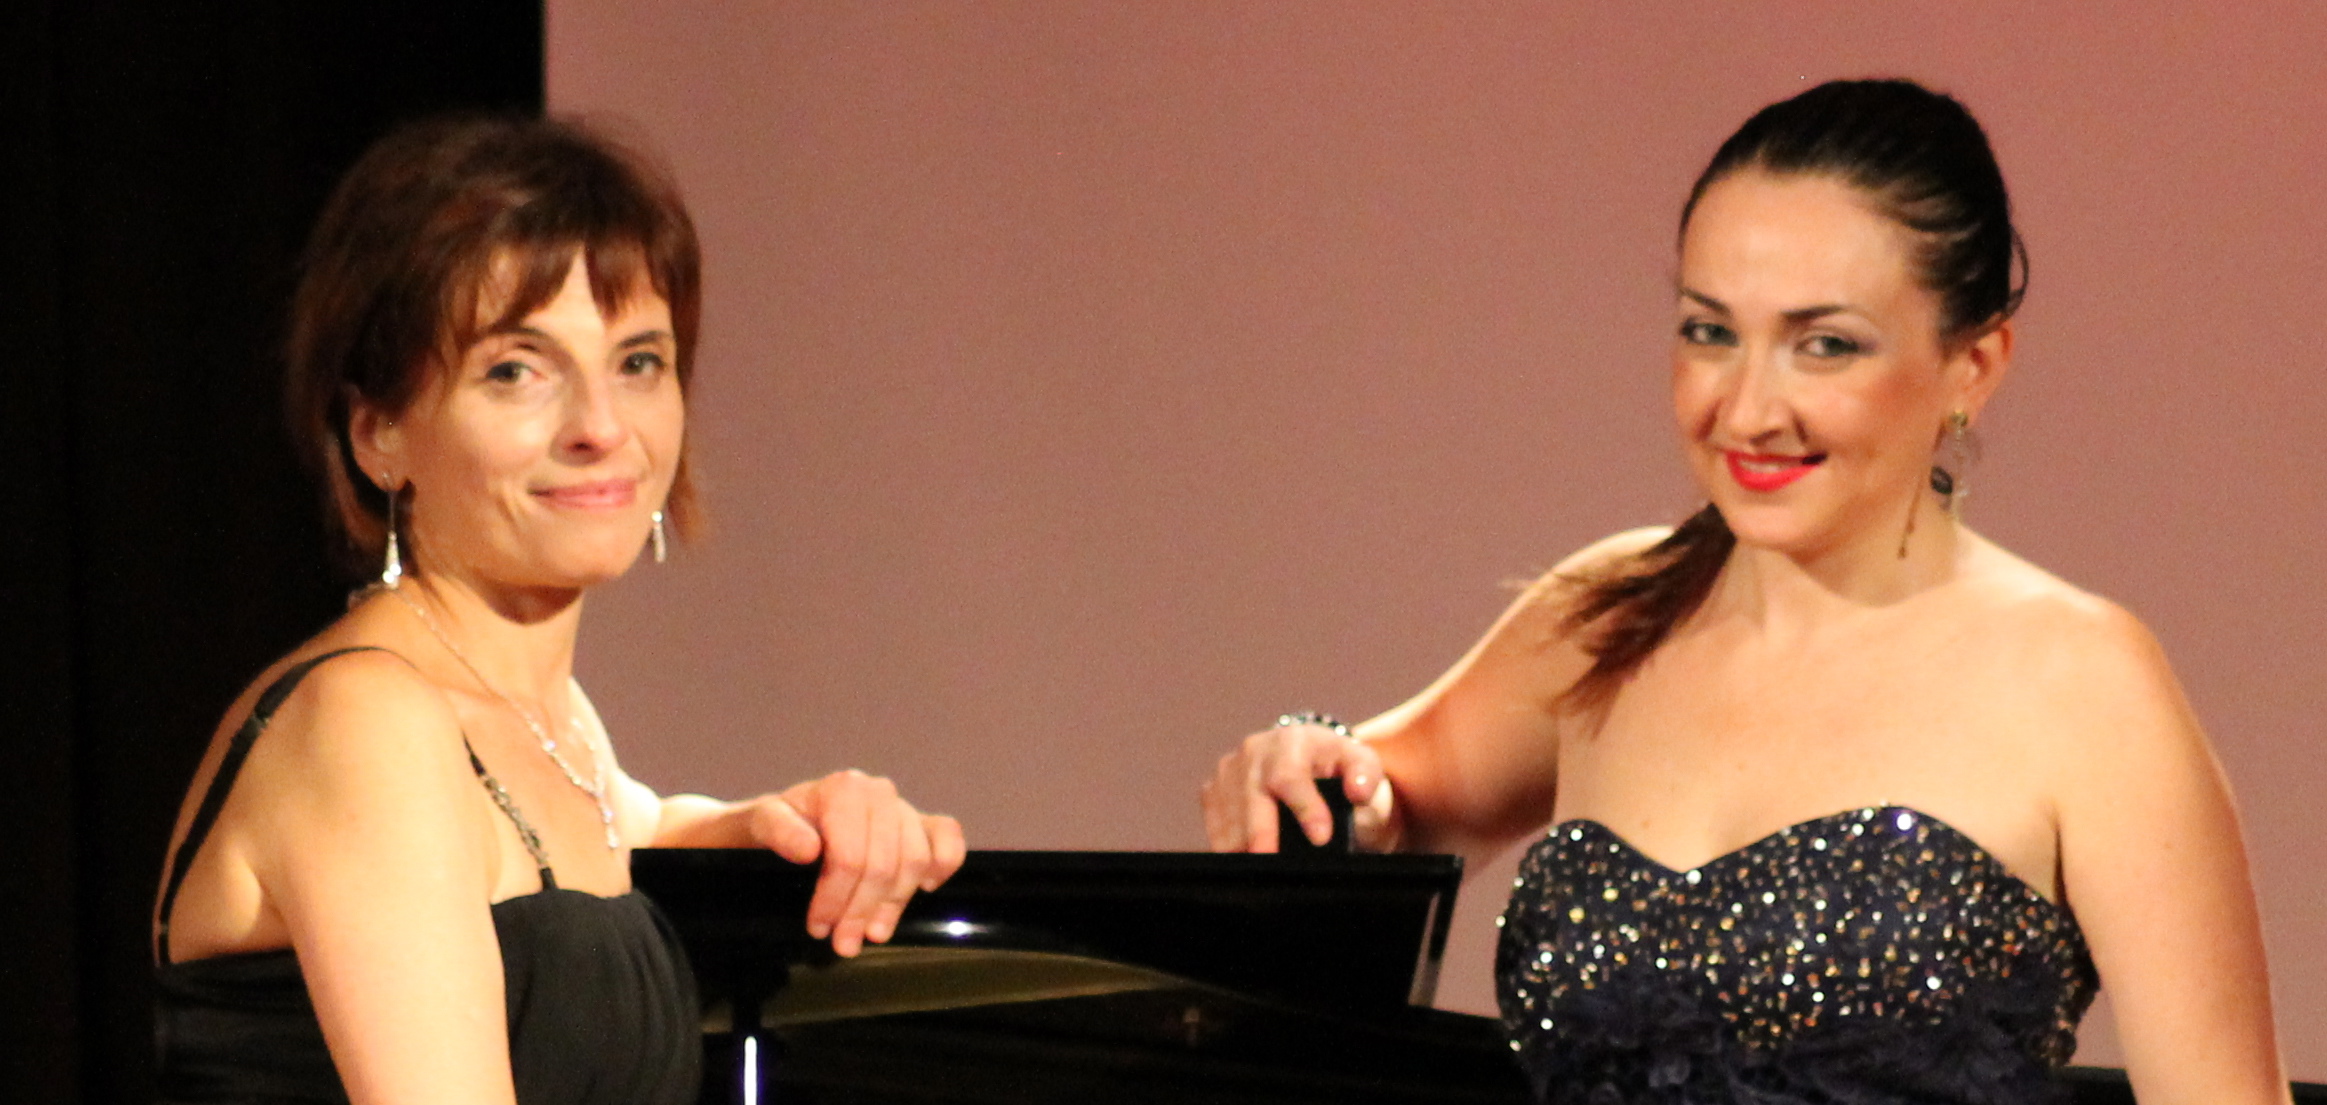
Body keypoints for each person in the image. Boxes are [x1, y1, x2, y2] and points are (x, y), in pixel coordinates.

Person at [1200, 80, 2287, 1104]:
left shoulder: (2081, 682)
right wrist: (1307, 763)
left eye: (1824, 345)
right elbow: (1379, 799)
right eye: (1709, 331)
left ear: (1973, 366)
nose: (1749, 408)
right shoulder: (1606, 617)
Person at [151, 115, 967, 1105]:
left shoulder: (551, 722)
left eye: (638, 362)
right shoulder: (368, 721)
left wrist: (800, 823)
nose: (600, 426)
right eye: (516, 371)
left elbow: (620, 836)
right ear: (379, 432)